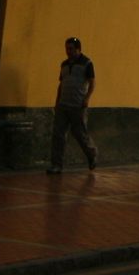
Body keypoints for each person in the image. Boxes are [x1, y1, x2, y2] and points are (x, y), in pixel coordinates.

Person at [49, 36, 98, 173]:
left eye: (70, 49)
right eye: (66, 49)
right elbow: (61, 83)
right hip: (63, 105)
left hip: (78, 105)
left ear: (78, 49)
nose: (68, 51)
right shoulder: (64, 65)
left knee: (80, 134)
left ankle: (91, 154)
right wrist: (57, 101)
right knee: (58, 135)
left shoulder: (87, 63)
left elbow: (92, 82)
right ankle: (56, 165)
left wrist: (87, 98)